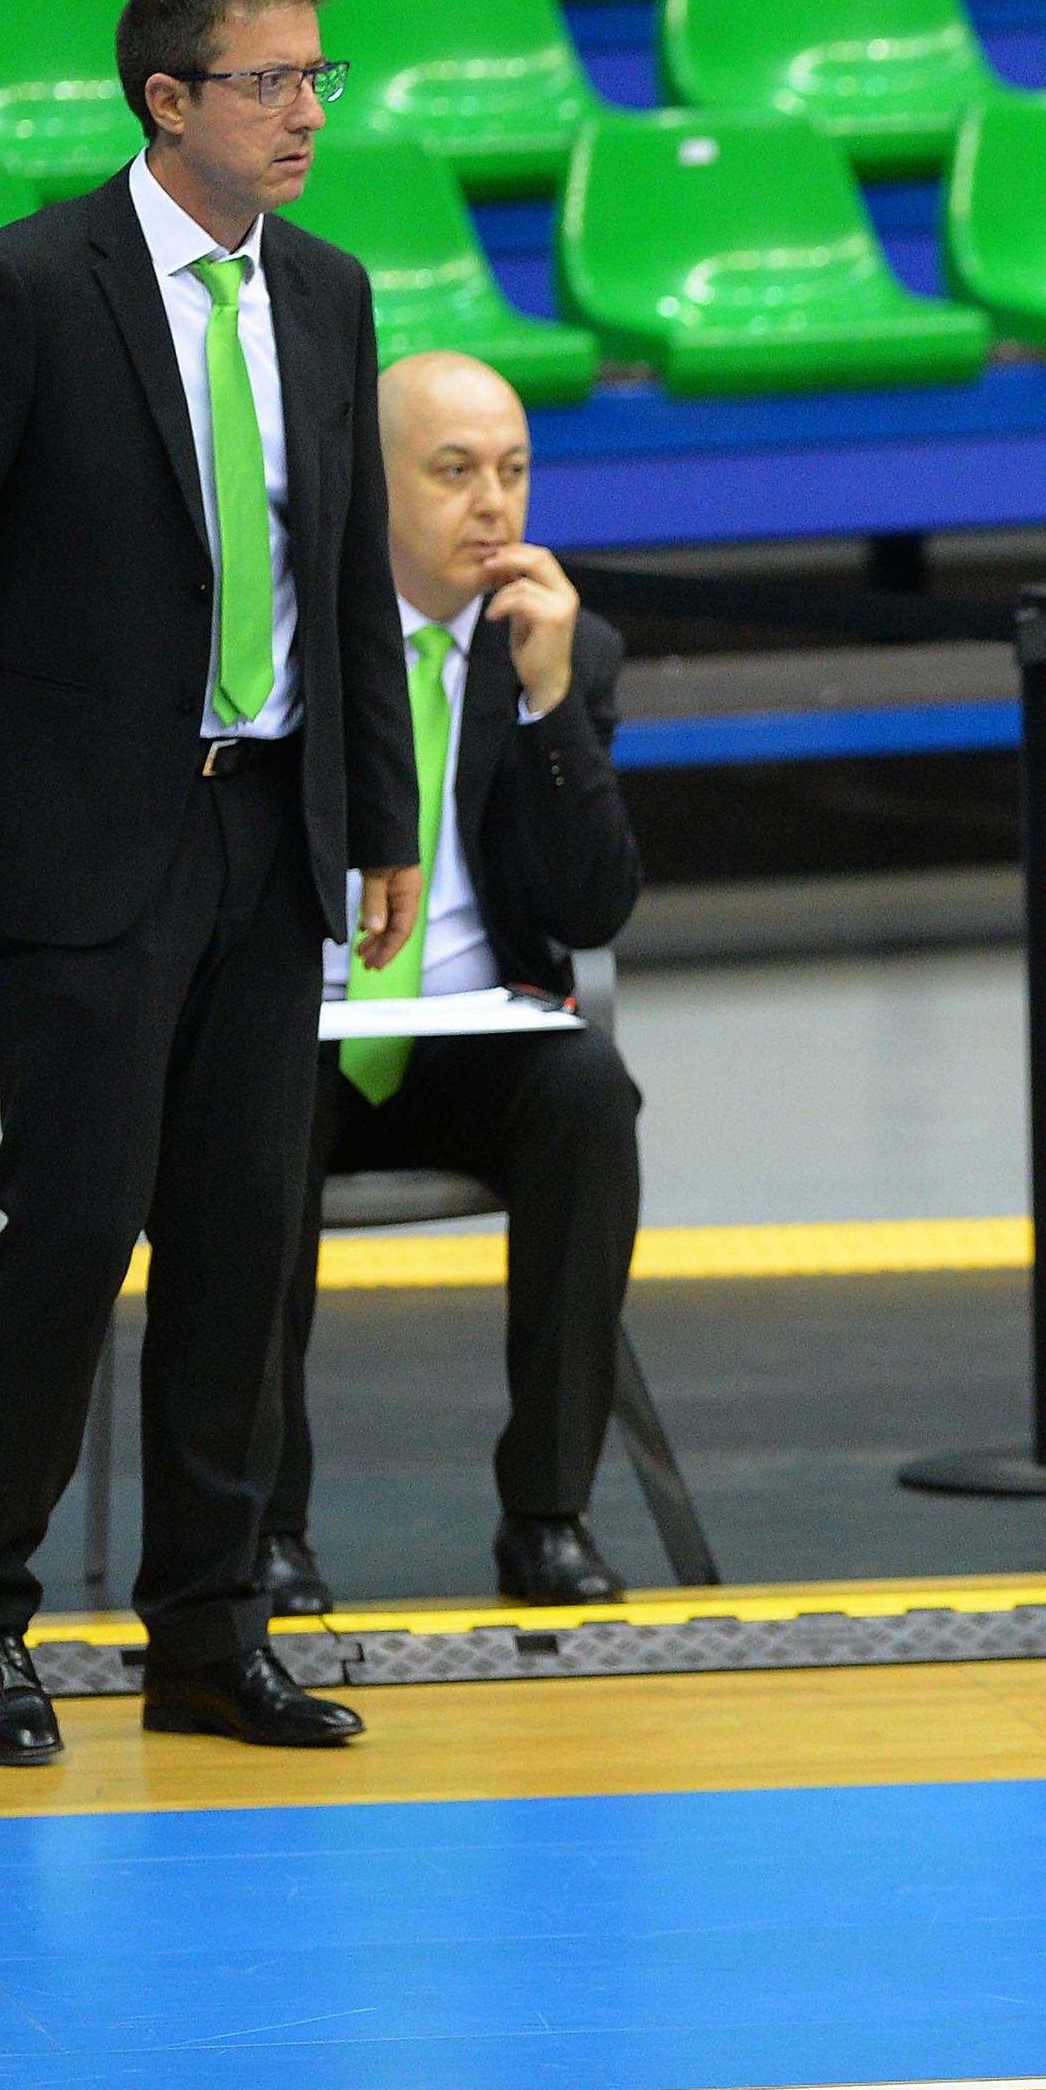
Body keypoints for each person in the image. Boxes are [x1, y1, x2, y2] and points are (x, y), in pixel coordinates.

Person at [0, 0, 420, 1764]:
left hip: (273, 817)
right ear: (169, 100)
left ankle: (205, 1634)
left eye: (319, 76)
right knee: (75, 1227)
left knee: (247, 1244)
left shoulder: (326, 292)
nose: (309, 110)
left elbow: (344, 575)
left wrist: (382, 818)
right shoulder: (21, 288)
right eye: (272, 81)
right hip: (86, 837)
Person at [261, 350, 644, 1617]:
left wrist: (550, 709)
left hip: (473, 1039)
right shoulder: (279, 643)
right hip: (297, 1033)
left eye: (515, 471)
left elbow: (593, 908)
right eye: (455, 471)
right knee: (249, 1106)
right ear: (371, 491)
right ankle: (262, 1531)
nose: (494, 503)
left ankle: (547, 1516)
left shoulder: (558, 648)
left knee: (589, 1087)